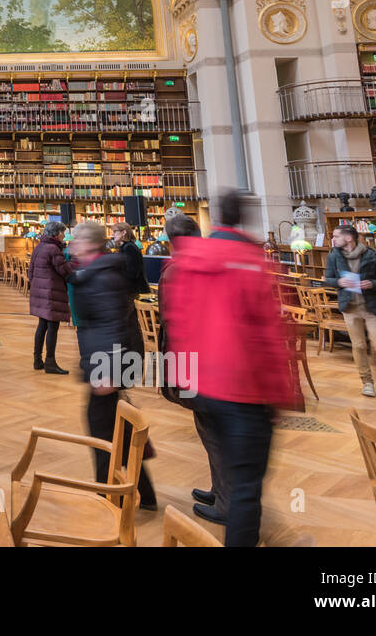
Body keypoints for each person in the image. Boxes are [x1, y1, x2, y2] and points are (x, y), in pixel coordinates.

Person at [161, 191, 293, 546]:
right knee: (248, 486)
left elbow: (178, 324)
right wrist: (279, 395)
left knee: (217, 449)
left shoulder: (187, 260)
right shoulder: (253, 261)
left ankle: (231, 503)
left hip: (201, 381)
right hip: (244, 387)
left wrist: (181, 378)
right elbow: (268, 333)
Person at [64, 220, 156, 511]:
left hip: (108, 365)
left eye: (76, 241)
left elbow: (111, 324)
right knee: (118, 427)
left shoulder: (103, 275)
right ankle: (144, 492)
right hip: (106, 362)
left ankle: (107, 499)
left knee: (102, 431)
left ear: (90, 244)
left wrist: (106, 372)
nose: (71, 245)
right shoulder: (98, 271)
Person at [156, 213, 230, 524]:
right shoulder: (213, 260)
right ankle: (219, 489)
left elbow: (173, 318)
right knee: (209, 427)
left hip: (194, 359)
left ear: (172, 241)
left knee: (212, 430)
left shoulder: (179, 269)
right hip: (213, 357)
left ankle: (226, 503)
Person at [324, 224, 376, 397]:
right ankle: (367, 381)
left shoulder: (373, 256)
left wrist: (373, 284)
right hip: (350, 307)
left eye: (336, 236)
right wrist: (339, 282)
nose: (333, 239)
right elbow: (329, 279)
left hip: (372, 306)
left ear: (349, 238)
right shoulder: (334, 256)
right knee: (359, 346)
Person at [28, 221, 72, 375]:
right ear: (55, 234)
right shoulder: (53, 249)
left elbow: (31, 271)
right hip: (51, 293)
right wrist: (73, 263)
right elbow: (65, 270)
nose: (64, 235)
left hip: (40, 293)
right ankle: (50, 362)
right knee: (53, 327)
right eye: (62, 233)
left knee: (42, 326)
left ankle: (37, 360)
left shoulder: (39, 246)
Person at [111, 222, 150, 296]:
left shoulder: (129, 248)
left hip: (136, 291)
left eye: (115, 231)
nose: (113, 234)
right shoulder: (126, 247)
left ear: (123, 232)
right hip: (132, 290)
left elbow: (132, 273)